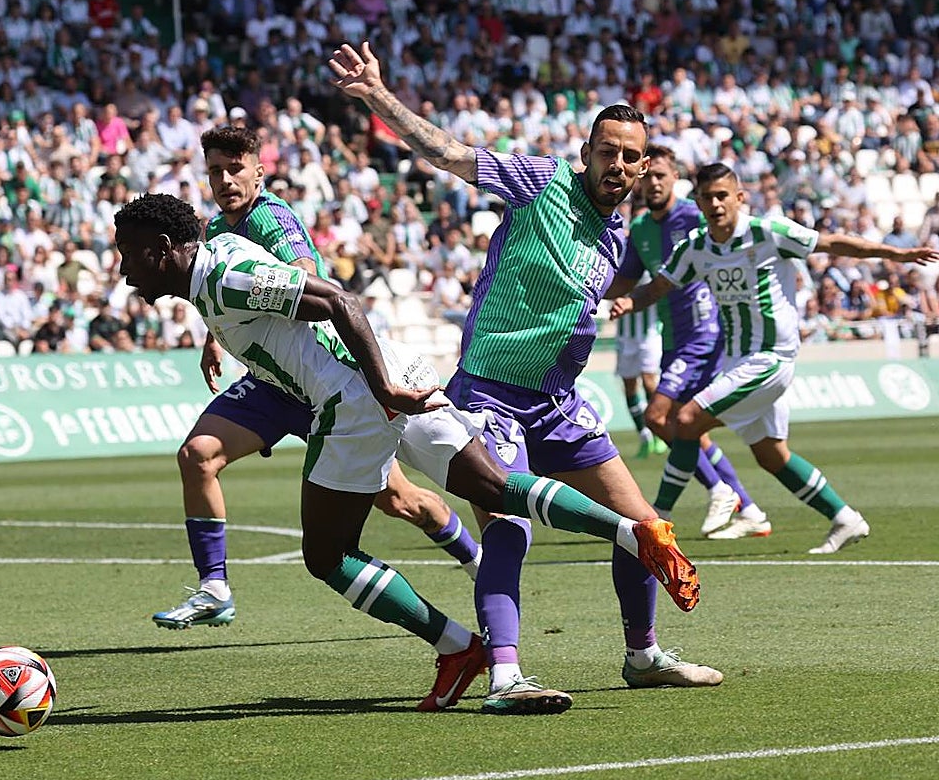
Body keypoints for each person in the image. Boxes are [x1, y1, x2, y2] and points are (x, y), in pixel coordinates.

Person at [116, 193, 698, 714]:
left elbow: (336, 300)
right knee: (492, 486)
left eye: (128, 255)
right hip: (394, 374)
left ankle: (457, 648)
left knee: (328, 555)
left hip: (358, 399)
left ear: (162, 248)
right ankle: (635, 533)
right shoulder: (218, 265)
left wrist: (380, 389)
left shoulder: (222, 278)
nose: (122, 272)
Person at [329, 42, 722, 699]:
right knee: (509, 528)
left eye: (631, 156)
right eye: (609, 151)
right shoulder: (539, 182)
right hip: (488, 396)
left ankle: (644, 657)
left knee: (645, 527)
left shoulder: (616, 232)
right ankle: (505, 675)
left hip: (558, 403)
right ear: (587, 153)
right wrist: (376, 96)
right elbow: (446, 153)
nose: (619, 164)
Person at [152, 126, 481, 630]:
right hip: (271, 382)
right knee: (198, 455)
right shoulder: (216, 231)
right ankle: (214, 587)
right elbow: (220, 298)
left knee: (399, 500)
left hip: (324, 381)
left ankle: (475, 561)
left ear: (259, 171)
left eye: (234, 168)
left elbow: (305, 275)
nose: (224, 179)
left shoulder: (272, 218)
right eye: (215, 170)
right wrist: (214, 337)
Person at [611, 163, 939, 554]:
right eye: (708, 197)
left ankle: (656, 520)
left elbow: (833, 243)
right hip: (738, 360)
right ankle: (845, 518)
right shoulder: (696, 246)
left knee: (684, 419)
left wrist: (896, 254)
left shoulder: (768, 232)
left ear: (739, 198)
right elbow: (659, 287)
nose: (716, 204)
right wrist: (629, 301)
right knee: (771, 455)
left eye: (722, 196)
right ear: (698, 202)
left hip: (771, 356)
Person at [608, 145, 770, 539]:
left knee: (657, 417)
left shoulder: (694, 215)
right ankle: (748, 508)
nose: (654, 183)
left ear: (675, 178)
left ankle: (718, 490)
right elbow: (625, 282)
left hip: (705, 334)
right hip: (673, 338)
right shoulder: (643, 229)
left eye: (662, 175)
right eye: (648, 176)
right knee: (688, 428)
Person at [612, 277, 666, 459]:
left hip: (650, 333)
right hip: (624, 335)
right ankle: (644, 436)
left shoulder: (648, 258)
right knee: (629, 386)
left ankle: (658, 433)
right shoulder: (619, 259)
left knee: (649, 381)